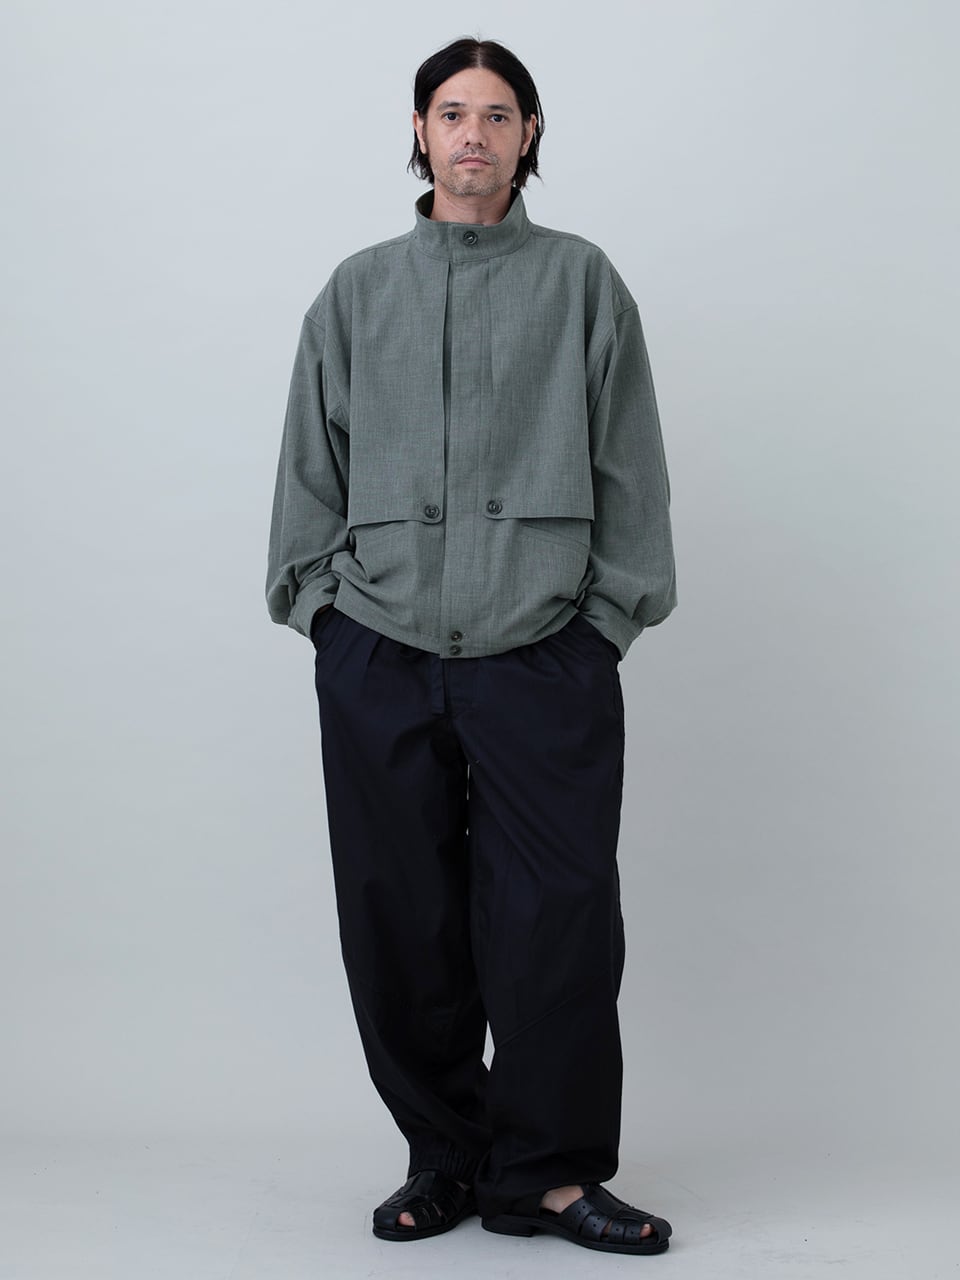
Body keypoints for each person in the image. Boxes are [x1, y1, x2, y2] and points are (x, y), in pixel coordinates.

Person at [265, 36, 677, 1257]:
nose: (475, 135)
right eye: (453, 113)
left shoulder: (583, 281)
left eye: (499, 115)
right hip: (381, 649)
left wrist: (602, 624)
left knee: (557, 918)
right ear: (420, 130)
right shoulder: (355, 292)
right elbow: (308, 468)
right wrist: (326, 615)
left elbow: (629, 465)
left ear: (529, 136)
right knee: (402, 916)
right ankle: (443, 1154)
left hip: (544, 649)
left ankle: (547, 1173)